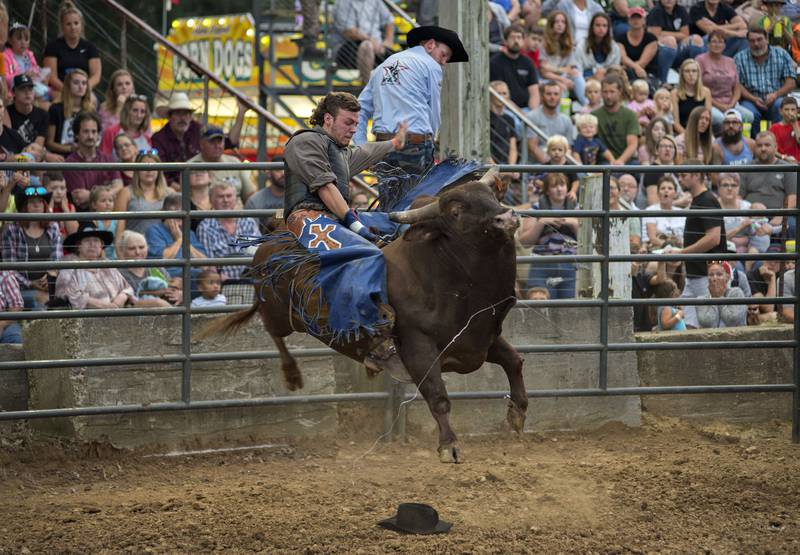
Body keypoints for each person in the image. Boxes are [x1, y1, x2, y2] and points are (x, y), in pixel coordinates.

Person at [283, 91, 409, 376]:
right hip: (307, 217)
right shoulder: (305, 142)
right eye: (349, 123)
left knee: (406, 228)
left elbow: (366, 153)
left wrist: (394, 143)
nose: (354, 129)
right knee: (368, 252)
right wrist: (356, 225)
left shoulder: (338, 150)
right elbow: (325, 187)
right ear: (328, 119)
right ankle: (373, 338)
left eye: (356, 124)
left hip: (335, 216)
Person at [355, 25, 467, 176]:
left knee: (389, 197)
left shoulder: (382, 67)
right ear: (430, 45)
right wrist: (431, 140)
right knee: (415, 197)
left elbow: (360, 108)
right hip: (415, 143)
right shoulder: (431, 65)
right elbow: (434, 110)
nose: (444, 62)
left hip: (382, 144)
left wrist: (361, 145)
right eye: (444, 55)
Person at [673, 161, 728, 328]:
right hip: (695, 274)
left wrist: (682, 253)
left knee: (711, 324)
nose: (680, 180)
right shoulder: (700, 200)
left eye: (683, 175)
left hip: (707, 274)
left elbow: (713, 238)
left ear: (696, 175)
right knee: (691, 326)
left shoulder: (707, 200)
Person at [152, 92, 246, 186]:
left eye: (186, 114)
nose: (183, 118)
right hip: (173, 188)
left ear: (190, 116)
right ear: (169, 116)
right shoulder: (159, 139)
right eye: (178, 114)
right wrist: (180, 190)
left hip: (203, 183)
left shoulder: (198, 129)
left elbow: (230, 142)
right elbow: (160, 173)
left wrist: (241, 113)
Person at [518, 172, 579, 299]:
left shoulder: (577, 208)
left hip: (569, 263)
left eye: (562, 185)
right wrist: (542, 222)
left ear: (567, 188)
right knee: (540, 305)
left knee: (570, 307)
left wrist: (572, 222)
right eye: (554, 186)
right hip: (542, 262)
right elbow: (524, 241)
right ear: (546, 191)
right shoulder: (536, 208)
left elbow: (588, 239)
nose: (559, 189)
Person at [1, 185, 63, 309]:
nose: (37, 205)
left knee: (65, 299)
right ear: (24, 207)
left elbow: (57, 259)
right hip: (20, 289)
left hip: (50, 285)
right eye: (32, 202)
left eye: (40, 201)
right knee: (44, 301)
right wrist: (31, 284)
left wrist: (51, 274)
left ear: (44, 205)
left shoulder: (53, 226)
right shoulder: (12, 229)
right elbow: (9, 268)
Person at [55, 224, 135, 309]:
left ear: (101, 246)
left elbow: (127, 288)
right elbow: (67, 295)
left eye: (96, 240)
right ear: (78, 246)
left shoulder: (108, 266)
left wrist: (118, 301)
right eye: (87, 240)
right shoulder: (70, 268)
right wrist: (107, 307)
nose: (92, 244)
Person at [735, 25, 796, 132]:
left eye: (759, 40)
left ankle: (778, 142)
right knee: (749, 113)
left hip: (776, 97)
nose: (756, 44)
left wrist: (775, 94)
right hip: (751, 100)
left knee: (781, 106)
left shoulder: (781, 54)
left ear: (767, 39)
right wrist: (753, 99)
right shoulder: (739, 58)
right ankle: (755, 143)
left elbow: (791, 83)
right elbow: (737, 85)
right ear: (748, 42)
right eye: (752, 41)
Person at [739, 131, 797, 240]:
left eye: (767, 145)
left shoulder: (788, 168)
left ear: (776, 147)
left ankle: (788, 257)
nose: (763, 149)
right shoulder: (746, 168)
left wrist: (780, 216)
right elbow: (738, 198)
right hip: (751, 215)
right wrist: (746, 217)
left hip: (779, 215)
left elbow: (792, 199)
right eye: (759, 145)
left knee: (792, 225)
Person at [197, 181, 260, 281]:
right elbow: (208, 263)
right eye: (220, 197)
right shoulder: (205, 226)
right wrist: (220, 278)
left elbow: (258, 254)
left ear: (236, 199)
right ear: (211, 201)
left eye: (229, 196)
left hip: (250, 281)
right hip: (220, 284)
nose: (225, 200)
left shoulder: (249, 222)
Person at [696, 30, 753, 132]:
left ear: (725, 45)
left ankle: (739, 141)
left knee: (748, 116)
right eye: (714, 41)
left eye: (720, 42)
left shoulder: (731, 61)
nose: (717, 44)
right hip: (709, 102)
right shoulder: (700, 60)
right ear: (708, 44)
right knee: (719, 119)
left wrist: (732, 103)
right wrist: (720, 106)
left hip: (730, 103)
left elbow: (737, 87)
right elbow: (699, 87)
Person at [63, 111, 122, 210]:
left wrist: (91, 195)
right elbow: (81, 199)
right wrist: (109, 193)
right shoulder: (70, 162)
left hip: (109, 216)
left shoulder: (108, 159)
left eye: (94, 131)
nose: (90, 136)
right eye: (86, 132)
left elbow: (119, 185)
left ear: (98, 134)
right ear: (77, 135)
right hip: (84, 218)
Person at [145, 193, 208, 283]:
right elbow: (163, 260)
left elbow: (205, 265)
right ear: (164, 213)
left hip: (191, 277)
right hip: (167, 278)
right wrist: (179, 240)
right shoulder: (154, 230)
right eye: (174, 211)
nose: (178, 216)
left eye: (181, 212)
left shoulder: (189, 233)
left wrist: (185, 243)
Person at [330, 0, 395, 84]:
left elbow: (389, 21)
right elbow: (349, 32)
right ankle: (366, 87)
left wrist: (388, 41)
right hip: (346, 48)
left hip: (376, 46)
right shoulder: (342, 3)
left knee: (399, 58)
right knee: (367, 46)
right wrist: (373, 42)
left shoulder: (376, 1)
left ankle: (390, 90)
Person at [42, 1, 101, 93]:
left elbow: (96, 76)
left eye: (76, 23)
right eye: (68, 24)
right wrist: (68, 92)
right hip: (60, 91)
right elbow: (52, 77)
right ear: (62, 26)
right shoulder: (52, 47)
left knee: (92, 102)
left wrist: (83, 89)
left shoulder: (90, 47)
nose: (73, 27)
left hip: (84, 91)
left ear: (81, 25)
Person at [188, 126, 255, 204]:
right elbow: (186, 199)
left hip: (237, 212)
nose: (217, 146)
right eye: (212, 142)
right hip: (205, 213)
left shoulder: (234, 162)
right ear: (202, 144)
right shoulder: (191, 165)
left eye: (220, 141)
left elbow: (249, 194)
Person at [113, 149, 169, 238]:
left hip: (163, 248)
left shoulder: (170, 193)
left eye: (153, 166)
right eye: (144, 166)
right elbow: (119, 226)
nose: (149, 170)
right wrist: (119, 249)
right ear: (137, 170)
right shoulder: (125, 193)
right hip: (134, 248)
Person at [115, 229, 178, 307]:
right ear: (122, 250)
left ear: (147, 248)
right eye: (132, 248)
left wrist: (179, 294)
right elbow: (128, 302)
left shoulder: (157, 268)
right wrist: (157, 301)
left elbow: (172, 289)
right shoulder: (117, 273)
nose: (138, 252)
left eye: (141, 247)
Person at [718, 173, 770, 263]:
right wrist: (740, 227)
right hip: (724, 251)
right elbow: (716, 238)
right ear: (719, 188)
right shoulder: (714, 207)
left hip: (748, 251)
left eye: (734, 185)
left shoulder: (747, 206)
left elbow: (759, 231)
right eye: (725, 185)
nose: (730, 188)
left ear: (738, 188)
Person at [646, 0, 705, 78]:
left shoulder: (681, 10)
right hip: (659, 53)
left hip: (677, 49)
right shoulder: (656, 11)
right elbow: (653, 36)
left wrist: (663, 33)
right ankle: (662, 81)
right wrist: (674, 37)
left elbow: (685, 35)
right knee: (669, 42)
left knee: (696, 39)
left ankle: (697, 79)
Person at [539, 10, 587, 106]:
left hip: (562, 76)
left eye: (563, 22)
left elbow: (570, 69)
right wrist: (561, 78)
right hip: (546, 79)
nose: (560, 25)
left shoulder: (568, 43)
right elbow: (544, 71)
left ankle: (586, 104)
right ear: (551, 24)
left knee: (577, 75)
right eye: (557, 22)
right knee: (561, 87)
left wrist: (562, 74)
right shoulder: (543, 44)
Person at [490, 24, 541, 111]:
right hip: (505, 109)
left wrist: (533, 113)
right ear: (505, 41)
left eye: (519, 37)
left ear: (523, 41)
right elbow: (500, 95)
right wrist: (521, 114)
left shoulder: (528, 62)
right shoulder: (495, 62)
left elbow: (534, 92)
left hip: (526, 109)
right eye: (512, 37)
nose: (516, 41)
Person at [593, 75, 639, 165]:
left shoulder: (630, 115)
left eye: (612, 92)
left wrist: (621, 161)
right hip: (605, 161)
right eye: (605, 92)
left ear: (620, 92)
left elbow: (632, 143)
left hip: (627, 160)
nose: (608, 96)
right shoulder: (594, 116)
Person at [46, 68, 93, 157]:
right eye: (76, 82)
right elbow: (49, 143)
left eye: (84, 83)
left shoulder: (90, 111)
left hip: (84, 158)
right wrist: (70, 148)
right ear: (68, 86)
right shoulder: (55, 109)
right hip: (61, 159)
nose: (81, 86)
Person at [526, 82, 575, 163]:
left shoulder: (566, 120)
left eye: (556, 94)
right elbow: (532, 147)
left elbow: (568, 148)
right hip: (538, 166)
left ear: (560, 96)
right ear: (542, 96)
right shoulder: (532, 117)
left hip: (561, 164)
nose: (552, 97)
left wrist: (561, 166)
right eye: (549, 94)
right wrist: (550, 166)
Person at [3, 21, 49, 104]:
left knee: (46, 81)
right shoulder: (5, 56)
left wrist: (37, 73)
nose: (23, 42)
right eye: (19, 39)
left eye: (26, 39)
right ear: (10, 40)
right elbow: (5, 78)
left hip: (31, 84)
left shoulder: (29, 55)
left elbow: (35, 68)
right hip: (16, 88)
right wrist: (23, 75)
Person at [697, 261, 747, 328]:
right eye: (711, 275)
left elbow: (732, 321)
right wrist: (714, 298)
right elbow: (707, 323)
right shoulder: (701, 299)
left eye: (719, 274)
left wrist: (719, 297)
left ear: (727, 277)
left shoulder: (737, 293)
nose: (715, 278)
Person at [99, 95, 152, 159]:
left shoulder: (147, 138)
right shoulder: (111, 132)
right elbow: (103, 160)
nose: (139, 115)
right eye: (135, 110)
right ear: (127, 111)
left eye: (142, 111)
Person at [3, 75, 48, 151]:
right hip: (16, 158)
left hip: (33, 156)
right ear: (13, 93)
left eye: (30, 89)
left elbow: (38, 146)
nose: (27, 93)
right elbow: (10, 143)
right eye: (22, 89)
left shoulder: (43, 114)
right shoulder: (6, 112)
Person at [245, 155, 287, 233]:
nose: (283, 173)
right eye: (278, 170)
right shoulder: (255, 201)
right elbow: (251, 234)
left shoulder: (298, 199)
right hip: (263, 243)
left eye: (286, 170)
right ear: (268, 173)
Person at [670, 59, 711, 135]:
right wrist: (689, 137)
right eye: (687, 71)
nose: (691, 74)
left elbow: (708, 119)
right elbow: (675, 123)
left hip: (701, 132)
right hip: (682, 132)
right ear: (682, 74)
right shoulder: (675, 93)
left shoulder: (706, 92)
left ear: (698, 73)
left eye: (694, 71)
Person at [619, 8, 660, 84]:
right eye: (633, 18)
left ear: (644, 20)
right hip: (627, 73)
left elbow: (643, 62)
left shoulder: (651, 38)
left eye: (639, 17)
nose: (636, 20)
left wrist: (627, 68)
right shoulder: (620, 38)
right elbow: (623, 58)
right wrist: (635, 67)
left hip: (647, 73)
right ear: (628, 20)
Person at [643, 177, 686, 247]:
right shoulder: (651, 211)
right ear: (657, 193)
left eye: (670, 188)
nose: (666, 190)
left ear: (675, 194)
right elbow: (653, 239)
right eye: (663, 188)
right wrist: (670, 246)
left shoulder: (682, 213)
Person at [576, 13, 621, 80]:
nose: (601, 28)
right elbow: (578, 72)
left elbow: (615, 70)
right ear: (592, 27)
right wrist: (594, 76)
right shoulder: (581, 45)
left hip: (608, 82)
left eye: (604, 26)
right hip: (587, 81)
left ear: (608, 28)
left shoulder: (614, 47)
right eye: (597, 25)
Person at [541, 0, 605, 46]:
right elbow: (544, 11)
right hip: (568, 49)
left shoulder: (596, 7)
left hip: (590, 50)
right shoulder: (563, 4)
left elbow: (607, 29)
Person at [489, 81, 519, 167]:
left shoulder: (510, 119)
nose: (501, 97)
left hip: (506, 165)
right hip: (490, 166)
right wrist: (495, 168)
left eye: (504, 93)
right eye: (498, 93)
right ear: (491, 95)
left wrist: (511, 167)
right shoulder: (485, 119)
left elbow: (513, 148)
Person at [45, 171, 78, 238]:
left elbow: (74, 233)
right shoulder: (42, 206)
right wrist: (50, 206)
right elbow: (48, 230)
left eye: (62, 188)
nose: (59, 192)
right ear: (45, 189)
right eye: (54, 188)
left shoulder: (70, 207)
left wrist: (65, 208)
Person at [89, 185, 117, 259]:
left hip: (114, 259)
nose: (108, 203)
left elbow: (118, 242)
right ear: (94, 205)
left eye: (110, 200)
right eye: (103, 201)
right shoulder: (93, 220)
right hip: (96, 258)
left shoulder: (117, 220)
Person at [770, 95, 800, 161]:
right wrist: (784, 157)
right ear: (780, 111)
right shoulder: (774, 128)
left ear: (797, 111)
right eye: (786, 109)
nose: (790, 112)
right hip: (782, 163)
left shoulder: (798, 124)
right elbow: (771, 150)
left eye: (793, 109)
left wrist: (794, 124)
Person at [0, 272, 23, 343]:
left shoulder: (4, 274)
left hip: (2, 319)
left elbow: (17, 305)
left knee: (16, 339)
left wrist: (2, 324)